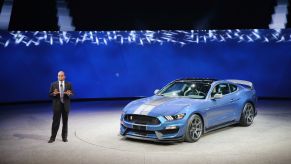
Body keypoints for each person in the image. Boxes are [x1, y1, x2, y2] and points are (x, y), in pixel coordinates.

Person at [48, 71, 73, 143]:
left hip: (65, 106)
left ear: (64, 76)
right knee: (55, 122)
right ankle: (52, 138)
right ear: (57, 76)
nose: (60, 77)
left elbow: (72, 93)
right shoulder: (53, 84)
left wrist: (69, 94)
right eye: (59, 76)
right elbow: (49, 94)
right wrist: (54, 94)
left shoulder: (69, 84)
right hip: (57, 106)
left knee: (65, 122)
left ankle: (64, 137)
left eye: (62, 76)